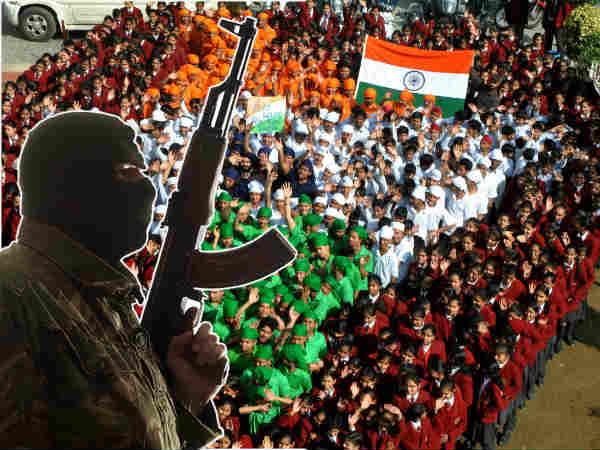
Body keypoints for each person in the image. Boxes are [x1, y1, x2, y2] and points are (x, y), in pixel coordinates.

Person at [0, 112, 227, 448]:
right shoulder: (11, 295)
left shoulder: (105, 299)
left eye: (145, 173)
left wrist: (184, 398)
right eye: (128, 171)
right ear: (73, 184)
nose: (148, 189)